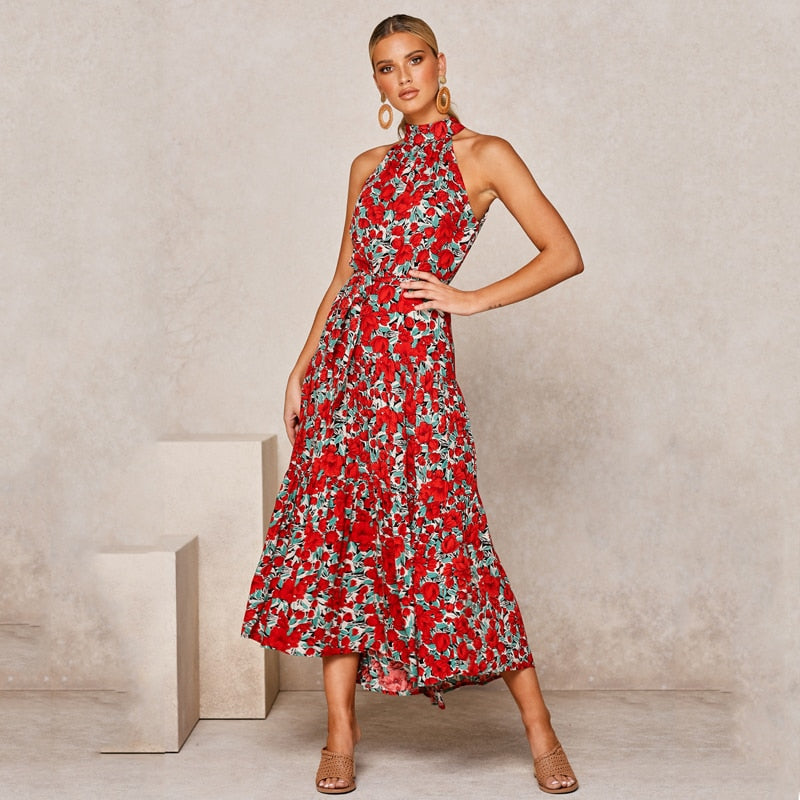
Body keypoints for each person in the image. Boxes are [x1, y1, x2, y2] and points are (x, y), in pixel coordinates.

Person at [242, 13, 583, 795]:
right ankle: (339, 737)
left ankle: (541, 732)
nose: (403, 78)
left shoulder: (485, 155)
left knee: (451, 538)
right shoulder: (367, 165)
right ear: (376, 81)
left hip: (417, 380)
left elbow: (564, 253)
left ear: (440, 64)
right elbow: (345, 277)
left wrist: (472, 299)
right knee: (341, 545)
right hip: (344, 379)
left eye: (415, 60)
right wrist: (300, 369)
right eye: (386, 67)